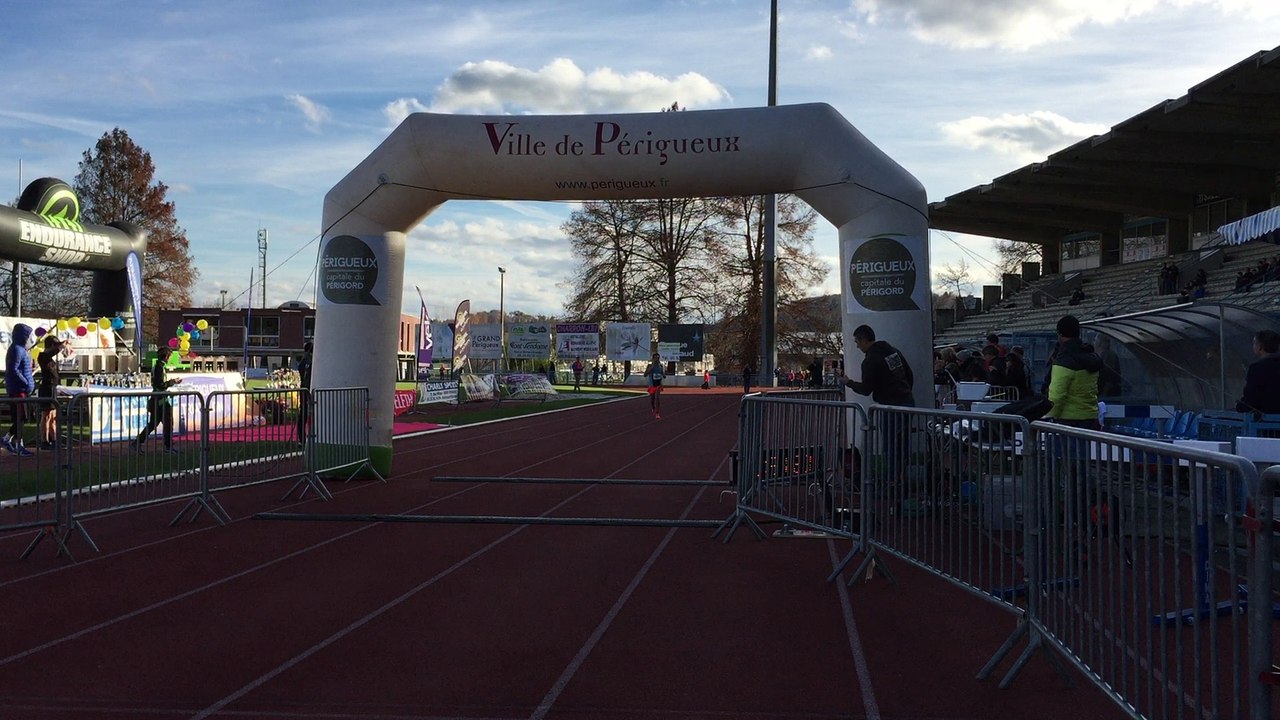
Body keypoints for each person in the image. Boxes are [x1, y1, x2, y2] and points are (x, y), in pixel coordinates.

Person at [1045, 315, 1102, 429]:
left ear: (1060, 334)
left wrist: (1048, 416)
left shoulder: (1064, 360)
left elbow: (1057, 395)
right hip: (1090, 418)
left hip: (1069, 421)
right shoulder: (1091, 356)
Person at [836, 325, 914, 406]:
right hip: (907, 400)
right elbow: (908, 373)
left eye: (857, 342)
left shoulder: (870, 361)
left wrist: (848, 382)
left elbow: (866, 389)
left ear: (864, 340)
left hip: (889, 405)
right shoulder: (893, 352)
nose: (857, 346)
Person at [134, 346, 183, 453]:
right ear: (166, 356)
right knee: (167, 423)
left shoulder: (159, 366)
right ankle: (167, 447)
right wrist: (173, 381)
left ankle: (138, 442)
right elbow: (160, 384)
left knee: (154, 423)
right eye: (169, 356)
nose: (170, 359)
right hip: (161, 400)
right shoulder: (159, 367)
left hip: (158, 398)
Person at [3, 323, 36, 456]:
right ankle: (19, 444)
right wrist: (26, 382)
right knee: (20, 417)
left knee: (21, 417)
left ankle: (6, 439)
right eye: (27, 336)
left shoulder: (20, 349)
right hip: (18, 389)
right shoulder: (16, 349)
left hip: (21, 388)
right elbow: (13, 369)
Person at [1235, 329, 1280, 414]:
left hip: (1264, 422)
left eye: (1254, 343)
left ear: (1260, 347)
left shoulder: (1256, 368)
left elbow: (1250, 400)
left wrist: (1240, 406)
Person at [36, 335, 64, 450]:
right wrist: (60, 347)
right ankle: (44, 440)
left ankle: (54, 439)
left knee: (53, 416)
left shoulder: (49, 357)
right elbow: (51, 352)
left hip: (53, 387)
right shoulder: (43, 356)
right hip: (46, 387)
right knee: (46, 415)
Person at [295, 341, 313, 445]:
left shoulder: (303, 361)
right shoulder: (309, 361)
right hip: (307, 391)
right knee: (305, 414)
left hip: (304, 390)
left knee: (303, 414)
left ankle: (302, 438)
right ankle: (303, 438)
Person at [644, 352, 665, 419]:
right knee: (652, 398)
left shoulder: (660, 366)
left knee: (657, 398)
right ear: (653, 358)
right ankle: (653, 406)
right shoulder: (649, 366)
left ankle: (657, 413)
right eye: (655, 358)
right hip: (652, 384)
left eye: (658, 358)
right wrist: (651, 368)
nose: (657, 359)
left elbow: (663, 374)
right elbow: (645, 375)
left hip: (658, 384)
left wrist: (663, 375)